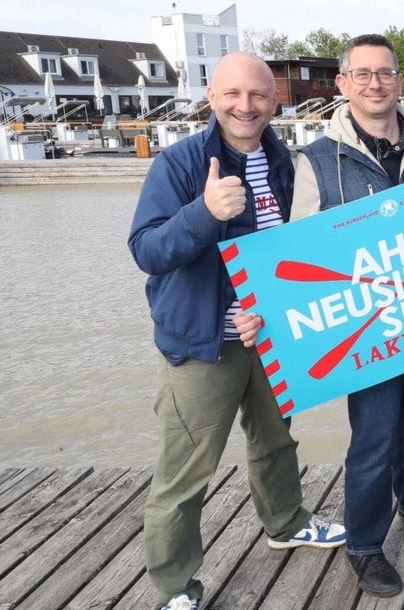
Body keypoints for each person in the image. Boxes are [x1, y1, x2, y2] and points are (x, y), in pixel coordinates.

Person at [236, 33, 404, 598]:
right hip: (362, 325)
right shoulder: (315, 158)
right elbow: (295, 247)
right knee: (375, 433)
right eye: (363, 74)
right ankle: (363, 543)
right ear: (343, 84)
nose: (375, 84)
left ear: (400, 80)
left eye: (385, 73)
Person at [128, 52, 346, 610]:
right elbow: (147, 251)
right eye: (232, 94)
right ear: (211, 96)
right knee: (186, 469)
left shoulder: (288, 163)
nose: (245, 106)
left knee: (276, 441)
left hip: (273, 336)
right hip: (204, 344)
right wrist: (203, 212)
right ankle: (177, 586)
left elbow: (300, 252)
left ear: (276, 101)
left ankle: (286, 522)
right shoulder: (178, 164)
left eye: (257, 95)